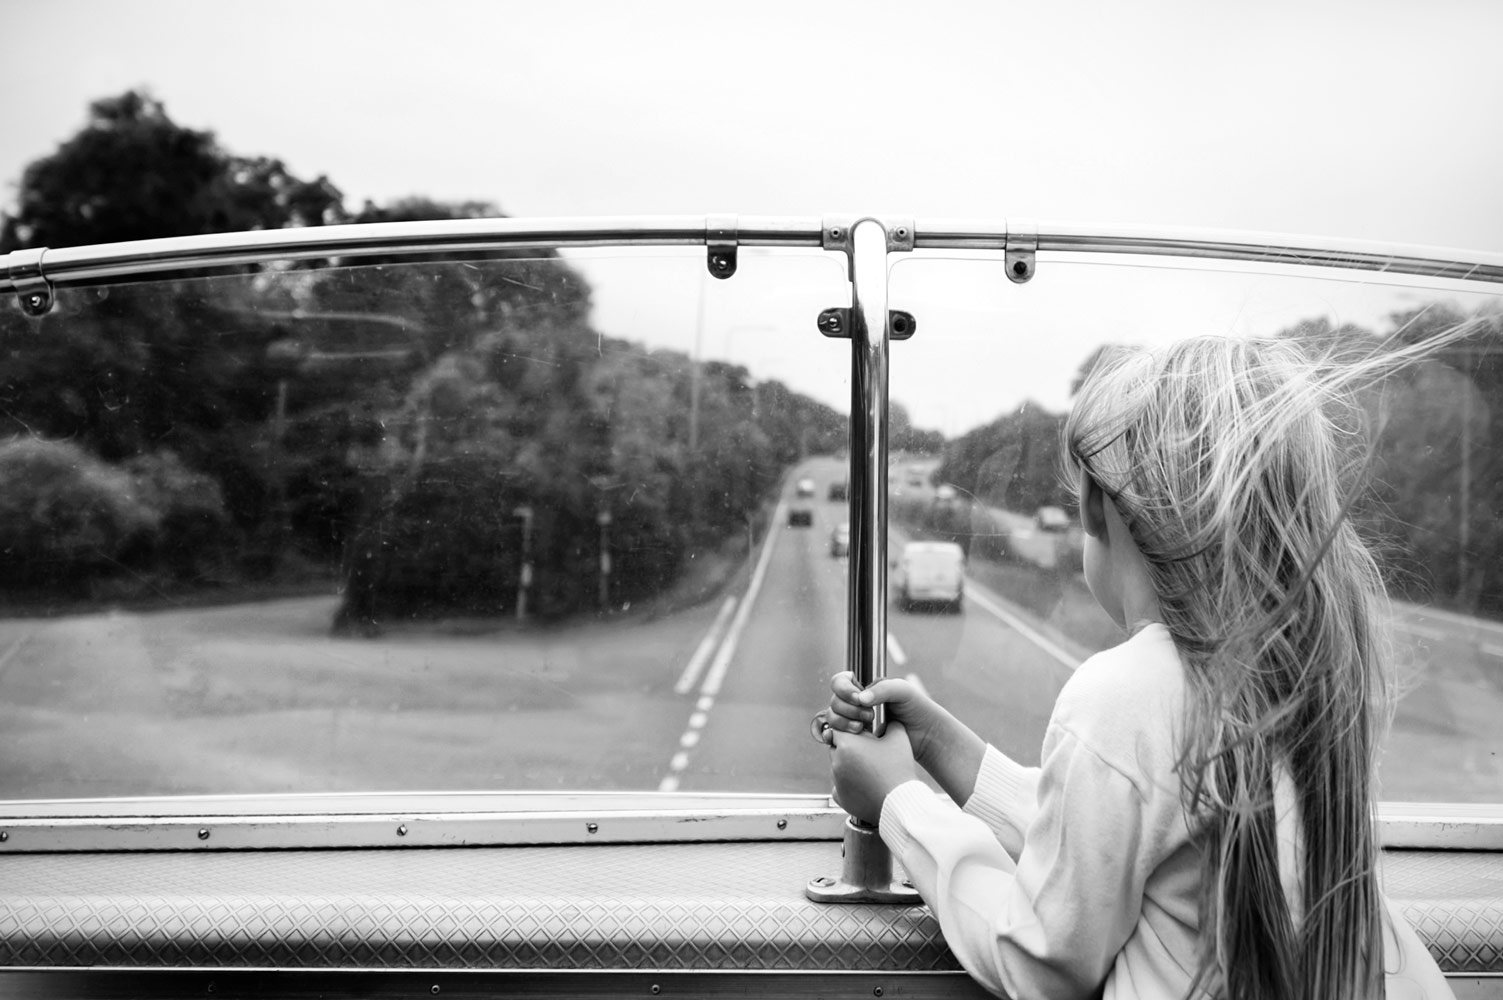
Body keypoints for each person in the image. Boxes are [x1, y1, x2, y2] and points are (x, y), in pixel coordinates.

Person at [821, 335, 1455, 999]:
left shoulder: (1123, 692)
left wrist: (896, 802)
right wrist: (940, 747)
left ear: (1097, 506)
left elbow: (1038, 962)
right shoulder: (1300, 670)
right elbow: (1113, 833)